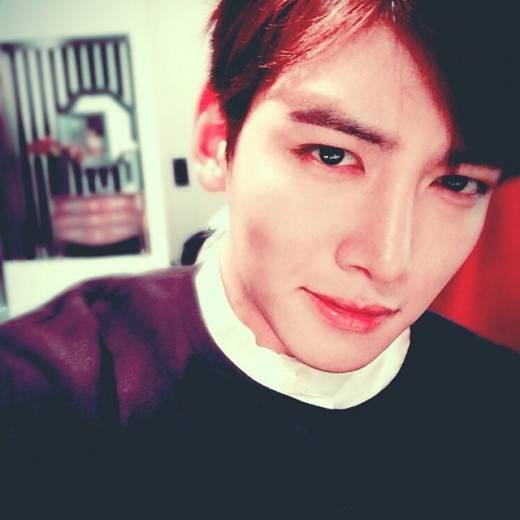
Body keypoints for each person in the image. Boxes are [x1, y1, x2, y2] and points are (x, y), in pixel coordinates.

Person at [1, 1, 519, 518]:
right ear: (216, 141)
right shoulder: (41, 398)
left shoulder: (498, 407)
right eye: (331, 155)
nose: (388, 263)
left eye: (457, 183)